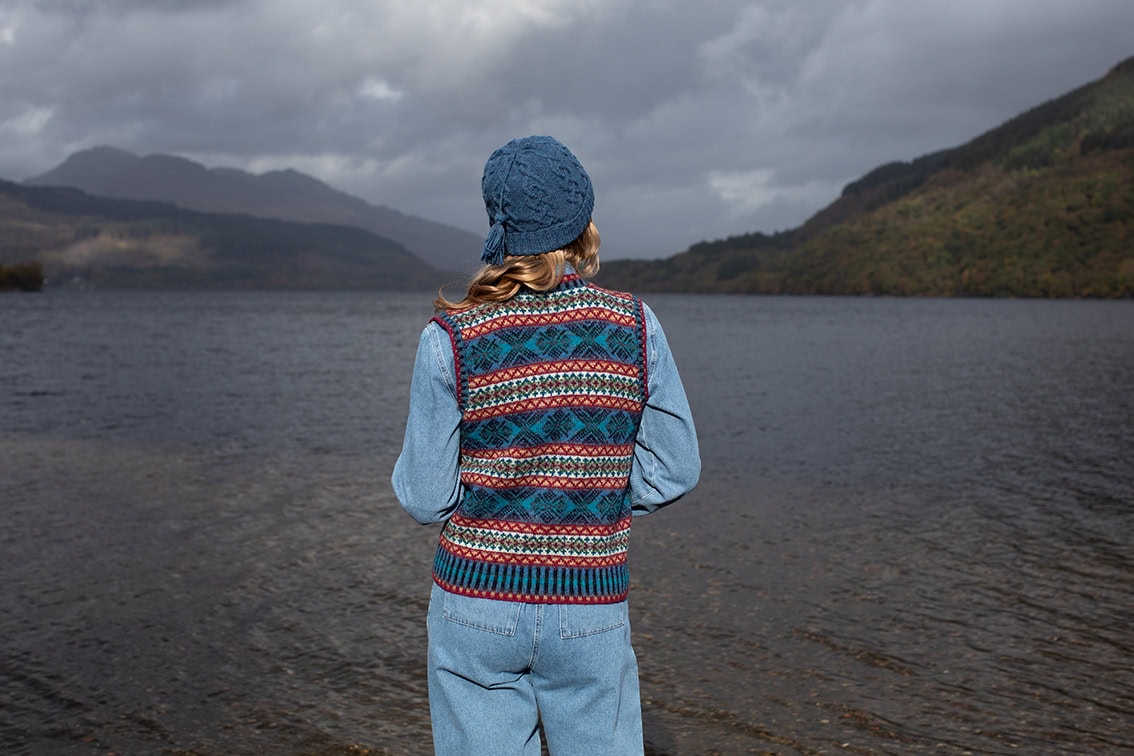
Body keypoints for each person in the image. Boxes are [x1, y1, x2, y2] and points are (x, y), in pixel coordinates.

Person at [392, 135, 700, 755]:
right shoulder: (635, 325)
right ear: (583, 221)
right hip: (590, 601)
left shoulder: (450, 336)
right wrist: (596, 494)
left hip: (474, 602)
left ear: (501, 230)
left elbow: (426, 496)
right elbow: (676, 468)